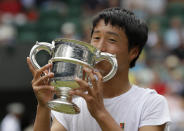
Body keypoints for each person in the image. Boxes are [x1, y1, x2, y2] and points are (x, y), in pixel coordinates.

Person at [27, 7, 171, 131]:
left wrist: (100, 112)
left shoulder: (151, 103)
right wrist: (44, 106)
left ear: (133, 52)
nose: (99, 48)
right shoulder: (73, 102)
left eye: (112, 40)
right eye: (96, 38)